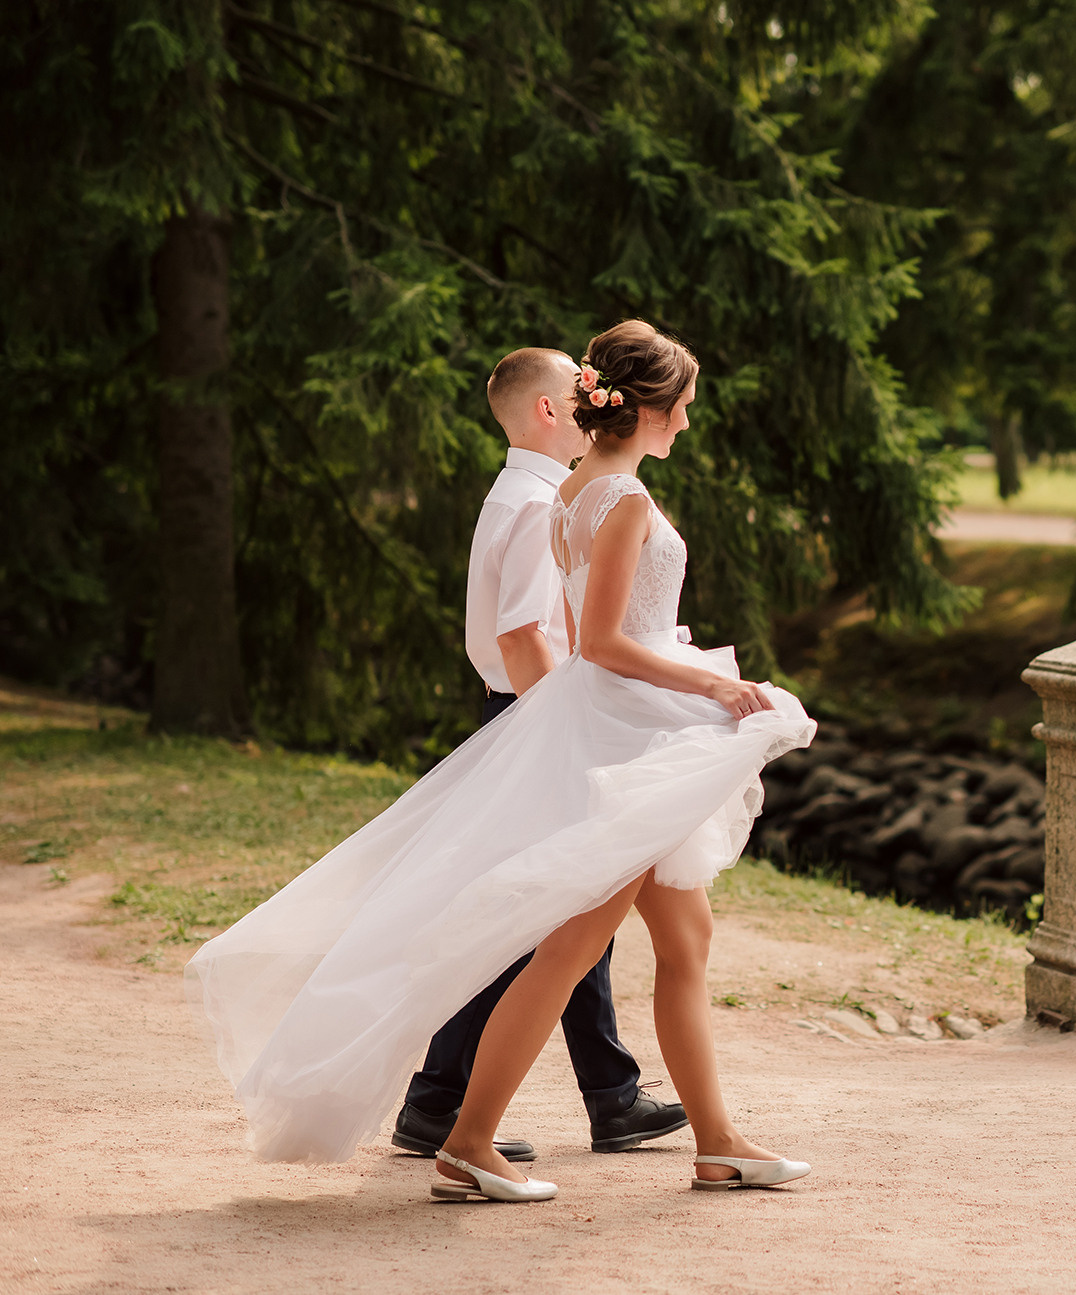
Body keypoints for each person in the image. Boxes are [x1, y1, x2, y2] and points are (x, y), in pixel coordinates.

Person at [186, 321, 816, 1201]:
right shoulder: (621, 500)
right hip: (626, 734)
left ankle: (718, 1140)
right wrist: (715, 688)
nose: (687, 424)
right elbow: (599, 643)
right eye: (683, 409)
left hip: (621, 724)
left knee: (685, 936)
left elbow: (600, 633)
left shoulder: (575, 490)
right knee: (569, 947)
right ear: (648, 409)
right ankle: (469, 1141)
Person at [389, 346, 686, 1165]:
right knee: (538, 919)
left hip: (525, 714)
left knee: (563, 915)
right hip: (531, 714)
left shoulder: (524, 494)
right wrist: (565, 735)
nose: (591, 411)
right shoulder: (535, 503)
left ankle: (609, 1095)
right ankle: (441, 1103)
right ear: (553, 411)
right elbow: (523, 634)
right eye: (577, 396)